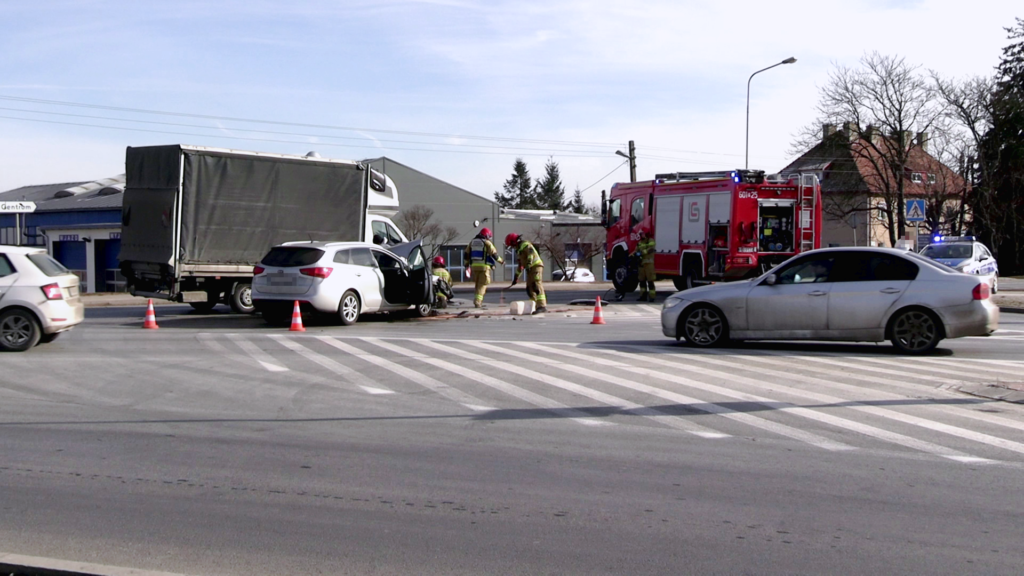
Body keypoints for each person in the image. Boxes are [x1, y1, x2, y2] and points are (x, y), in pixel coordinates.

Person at [506, 233, 547, 314]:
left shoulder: (525, 244)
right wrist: (516, 277)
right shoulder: (519, 251)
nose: (513, 247)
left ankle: (542, 306)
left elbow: (530, 254)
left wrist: (528, 263)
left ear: (514, 242)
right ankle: (533, 305)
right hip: (530, 268)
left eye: (512, 245)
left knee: (536, 285)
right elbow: (520, 266)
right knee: (529, 288)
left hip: (536, 266)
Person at [464, 228, 503, 308]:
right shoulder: (487, 243)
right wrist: (501, 261)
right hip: (484, 268)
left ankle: (477, 300)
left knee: (477, 284)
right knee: (482, 284)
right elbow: (494, 254)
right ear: (487, 235)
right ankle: (477, 302)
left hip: (474, 267)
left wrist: (466, 265)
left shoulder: (472, 242)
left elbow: (466, 254)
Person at [634, 230, 656, 301]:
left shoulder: (650, 241)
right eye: (640, 234)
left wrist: (642, 252)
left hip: (649, 264)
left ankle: (652, 297)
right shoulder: (639, 243)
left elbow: (651, 249)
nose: (641, 235)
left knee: (650, 281)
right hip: (641, 265)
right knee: (642, 281)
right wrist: (635, 255)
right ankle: (643, 296)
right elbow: (636, 250)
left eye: (642, 234)